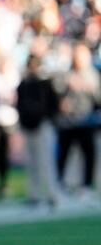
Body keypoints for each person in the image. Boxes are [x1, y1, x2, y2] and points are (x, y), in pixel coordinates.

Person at [16, 54, 61, 208]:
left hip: (43, 126)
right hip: (29, 127)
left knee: (46, 162)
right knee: (31, 162)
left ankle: (51, 194)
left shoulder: (45, 84)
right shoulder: (23, 85)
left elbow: (54, 105)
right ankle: (34, 195)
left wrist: (46, 119)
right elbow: (20, 106)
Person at [55, 44, 98, 198]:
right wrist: (62, 101)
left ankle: (86, 185)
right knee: (64, 154)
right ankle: (61, 185)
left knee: (88, 154)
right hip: (68, 122)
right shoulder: (66, 74)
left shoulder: (93, 75)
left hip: (86, 121)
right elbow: (57, 94)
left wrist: (89, 88)